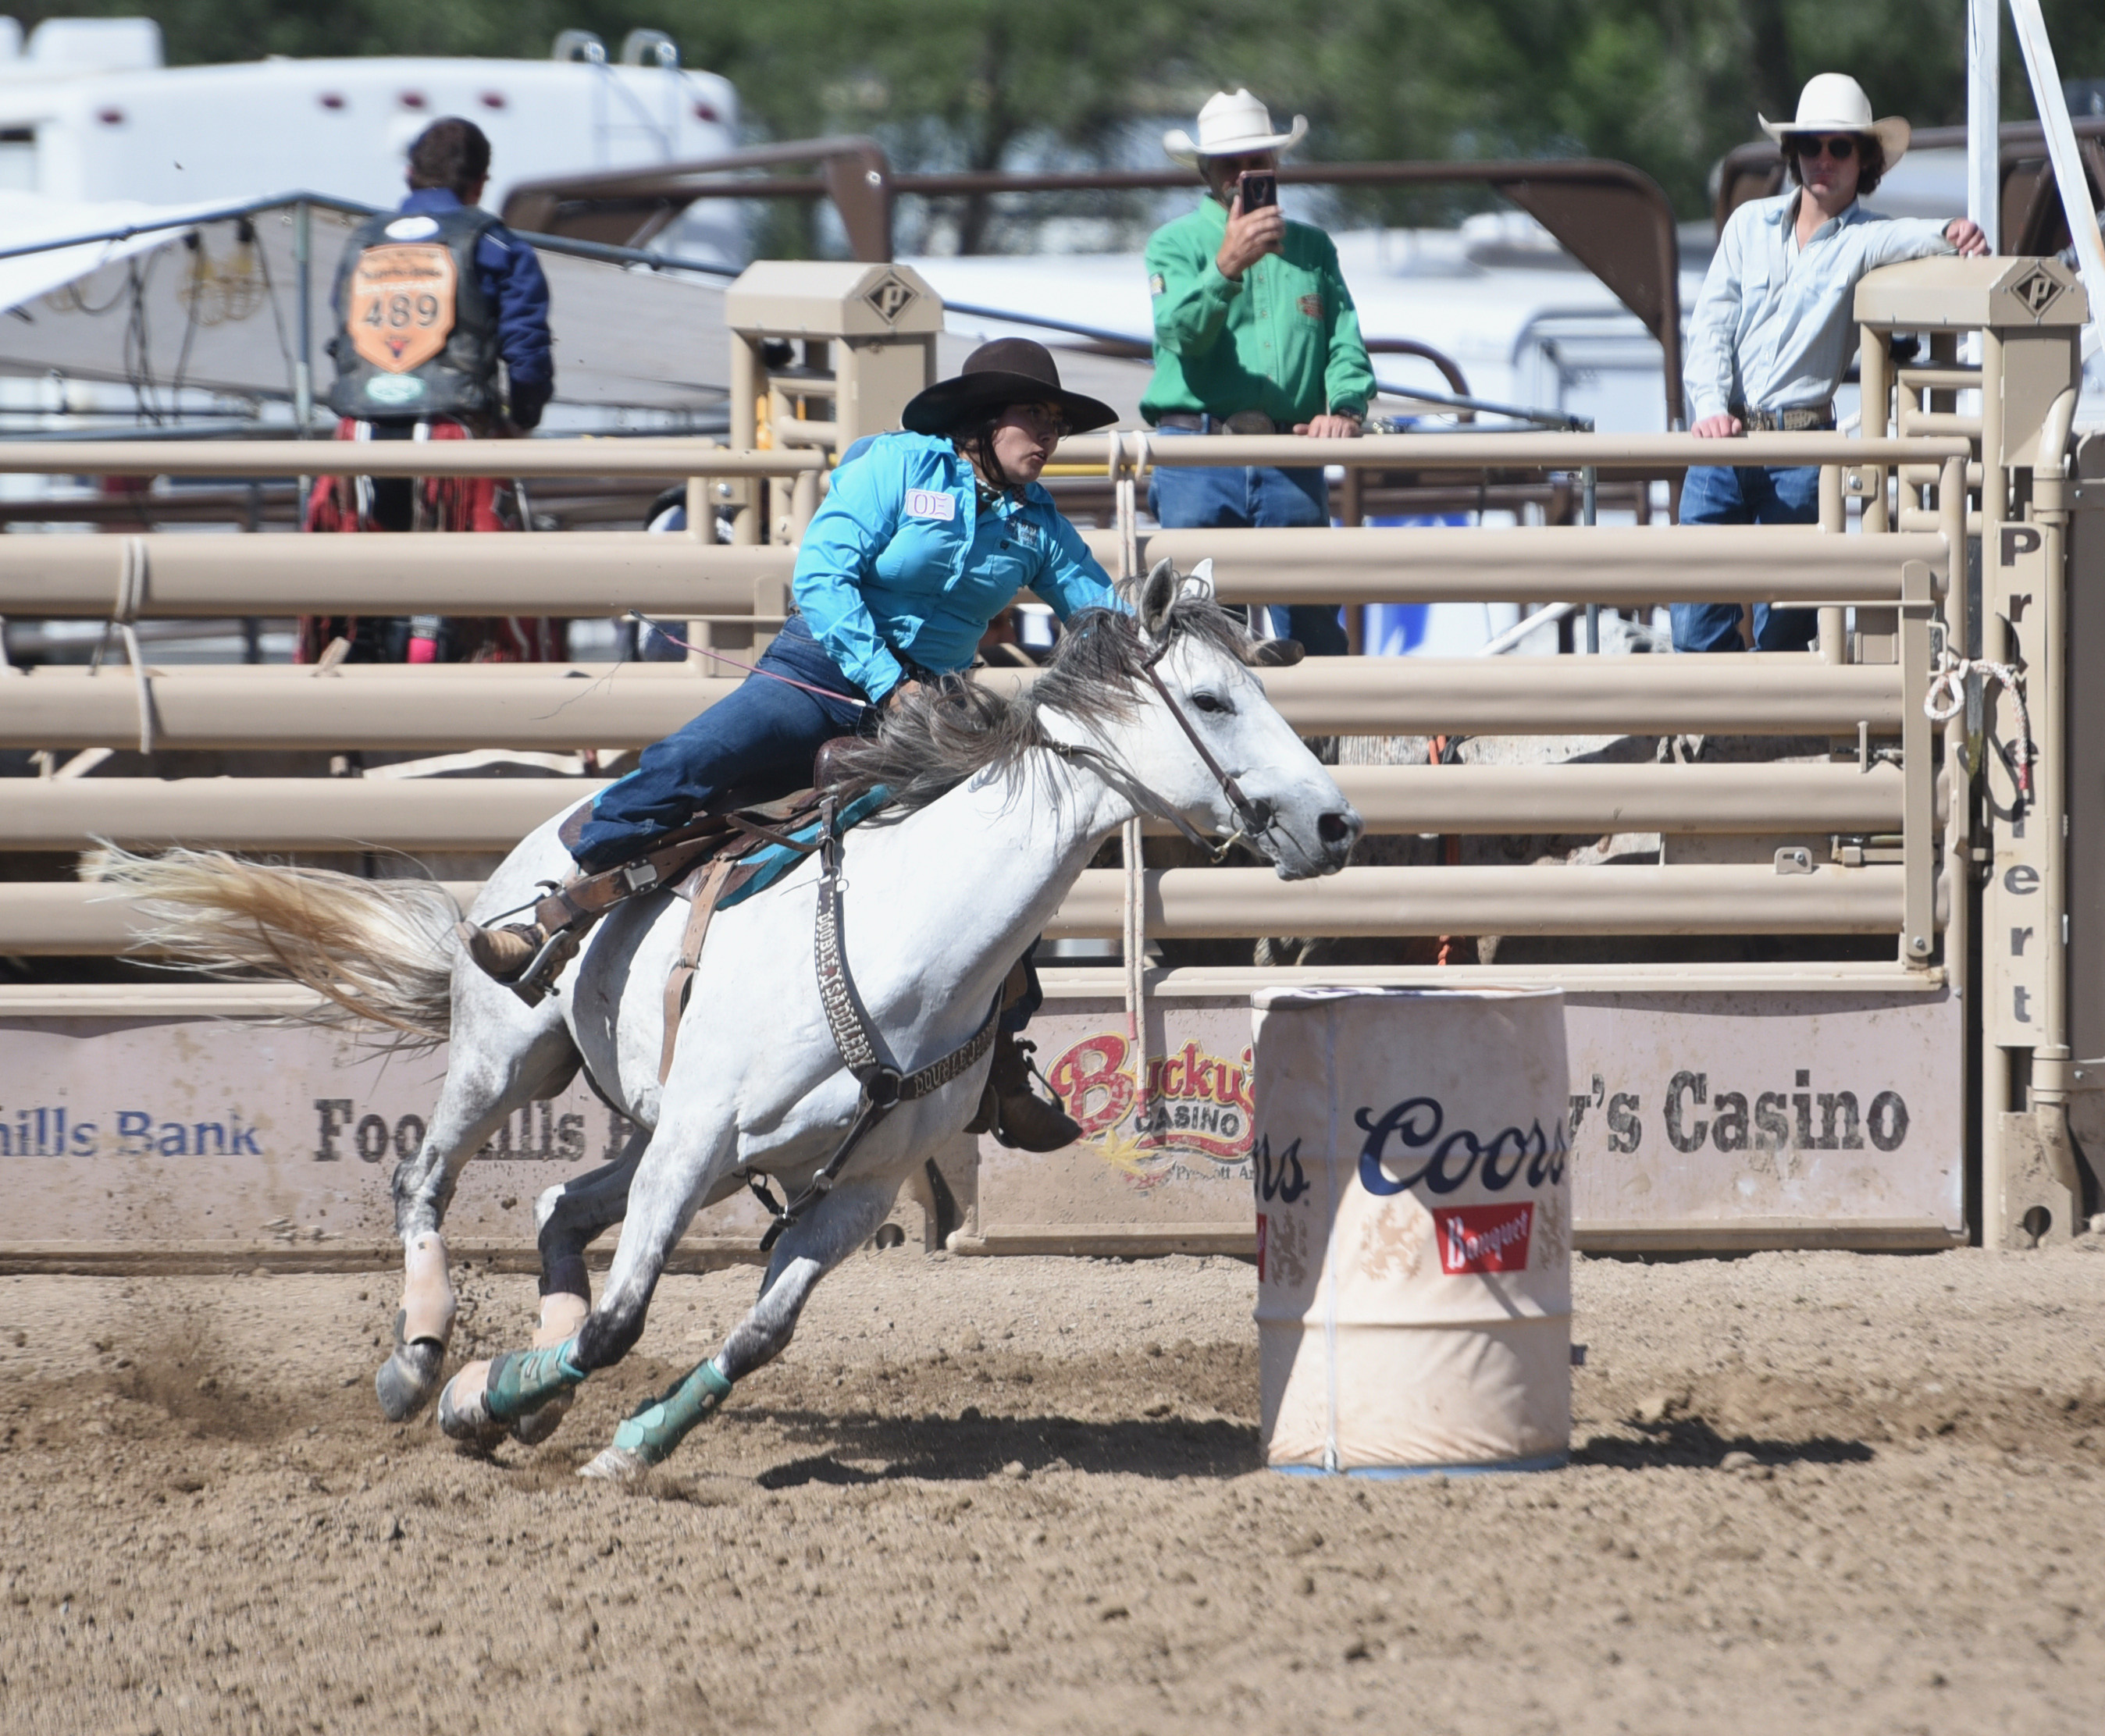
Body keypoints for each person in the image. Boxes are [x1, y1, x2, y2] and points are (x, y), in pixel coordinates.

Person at [458, 338, 1126, 1148]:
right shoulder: (897, 466)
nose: (1048, 435)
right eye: (1035, 415)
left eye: (1057, 421)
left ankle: (1002, 1059)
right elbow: (822, 577)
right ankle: (550, 912)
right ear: (984, 421)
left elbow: (1099, 612)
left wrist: (1182, 640)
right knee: (693, 761)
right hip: (825, 672)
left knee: (1007, 853)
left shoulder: (1037, 521)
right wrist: (886, 680)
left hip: (931, 714)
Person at [1675, 73, 1989, 654]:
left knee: (1789, 627)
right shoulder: (1749, 225)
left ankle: (1761, 738)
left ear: (1863, 160)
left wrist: (1953, 232)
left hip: (1802, 450)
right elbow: (1712, 325)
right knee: (1694, 621)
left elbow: (1914, 238)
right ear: (1793, 153)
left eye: (1840, 146)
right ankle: (1718, 733)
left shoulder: (1865, 240)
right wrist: (1712, 410)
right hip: (1726, 440)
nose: (1824, 158)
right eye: (1812, 144)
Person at [303, 116, 557, 663]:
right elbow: (527, 348)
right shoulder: (492, 242)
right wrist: (522, 420)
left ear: (409, 174)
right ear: (481, 183)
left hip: (357, 436)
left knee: (354, 581)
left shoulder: (361, 242)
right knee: (478, 581)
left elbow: (343, 334)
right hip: (452, 438)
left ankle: (338, 680)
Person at [1142, 88, 1376, 657]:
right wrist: (1227, 267)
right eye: (1231, 163)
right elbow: (1181, 335)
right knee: (1196, 633)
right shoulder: (1174, 243)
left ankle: (1318, 743)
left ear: (1276, 167)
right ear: (1208, 171)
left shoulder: (1313, 248)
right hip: (1197, 454)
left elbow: (1344, 341)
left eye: (1258, 162)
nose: (1245, 173)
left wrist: (1344, 408)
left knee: (1312, 623)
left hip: (1286, 455)